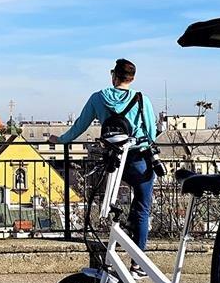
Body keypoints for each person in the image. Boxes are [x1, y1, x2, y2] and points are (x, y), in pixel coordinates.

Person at [50, 58, 157, 270]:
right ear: (132, 78)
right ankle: (138, 263)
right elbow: (152, 132)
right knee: (142, 209)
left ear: (113, 76)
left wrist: (60, 140)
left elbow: (80, 125)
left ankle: (109, 253)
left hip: (114, 161)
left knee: (108, 203)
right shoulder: (142, 99)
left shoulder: (98, 98)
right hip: (139, 159)